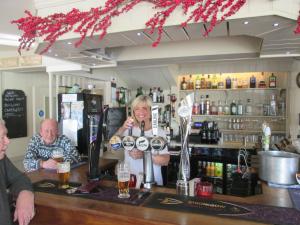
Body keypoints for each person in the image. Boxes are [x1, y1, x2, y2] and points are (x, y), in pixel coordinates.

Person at [115, 95, 170, 185]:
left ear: (151, 111)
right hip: (130, 181)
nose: (140, 112)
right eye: (137, 108)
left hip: (153, 183)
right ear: (133, 111)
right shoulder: (128, 129)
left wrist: (145, 155)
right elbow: (111, 147)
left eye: (145, 108)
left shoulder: (159, 132)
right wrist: (122, 128)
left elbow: (165, 160)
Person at [0, 120, 35, 225]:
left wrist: (25, 193)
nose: (7, 141)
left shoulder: (2, 160)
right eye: (2, 137)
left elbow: (18, 178)